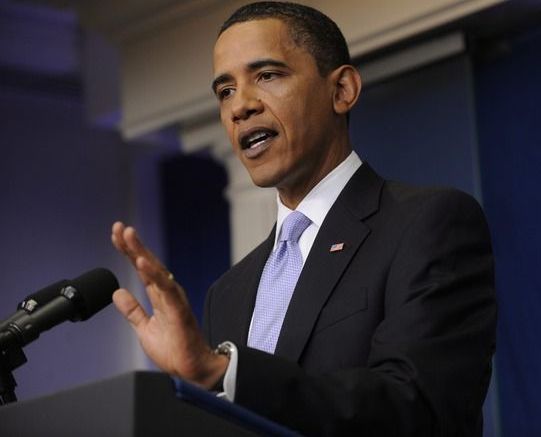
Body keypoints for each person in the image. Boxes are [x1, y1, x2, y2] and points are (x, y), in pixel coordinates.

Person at [111, 2, 496, 435]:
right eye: (225, 91)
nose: (240, 107)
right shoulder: (228, 293)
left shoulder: (427, 224)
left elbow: (418, 406)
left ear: (342, 90)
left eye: (267, 76)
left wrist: (227, 373)